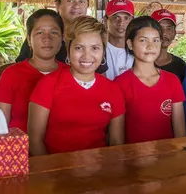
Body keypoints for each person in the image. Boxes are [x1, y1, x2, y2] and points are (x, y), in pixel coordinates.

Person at [28, 16, 125, 155]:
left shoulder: (113, 89)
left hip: (100, 171)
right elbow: (34, 141)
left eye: (95, 48)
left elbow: (117, 142)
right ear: (68, 49)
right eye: (79, 47)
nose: (87, 56)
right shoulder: (48, 84)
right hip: (55, 171)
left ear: (103, 51)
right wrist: (53, 175)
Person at [114, 16, 186, 144]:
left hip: (168, 159)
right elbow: (116, 139)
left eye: (156, 40)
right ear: (130, 44)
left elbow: (180, 131)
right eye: (143, 40)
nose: (150, 46)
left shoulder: (172, 80)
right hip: (133, 160)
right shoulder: (120, 84)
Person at [0, 9, 66, 133]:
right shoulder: (11, 74)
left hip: (64, 150)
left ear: (62, 38)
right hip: (21, 149)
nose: (47, 38)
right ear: (28, 39)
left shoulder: (71, 74)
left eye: (54, 32)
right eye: (39, 33)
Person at [15, 0, 108, 74]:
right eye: (70, 1)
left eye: (81, 1)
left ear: (87, 5)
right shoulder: (42, 35)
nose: (76, 6)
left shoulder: (94, 36)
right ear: (57, 5)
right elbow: (20, 70)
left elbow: (101, 75)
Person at [151, 9, 186, 81]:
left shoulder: (180, 65)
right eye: (159, 28)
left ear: (174, 33)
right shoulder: (139, 62)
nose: (164, 33)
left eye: (169, 28)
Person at [105, 0, 135, 80]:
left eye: (126, 18)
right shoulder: (97, 50)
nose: (121, 23)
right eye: (116, 17)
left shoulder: (138, 52)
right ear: (105, 21)